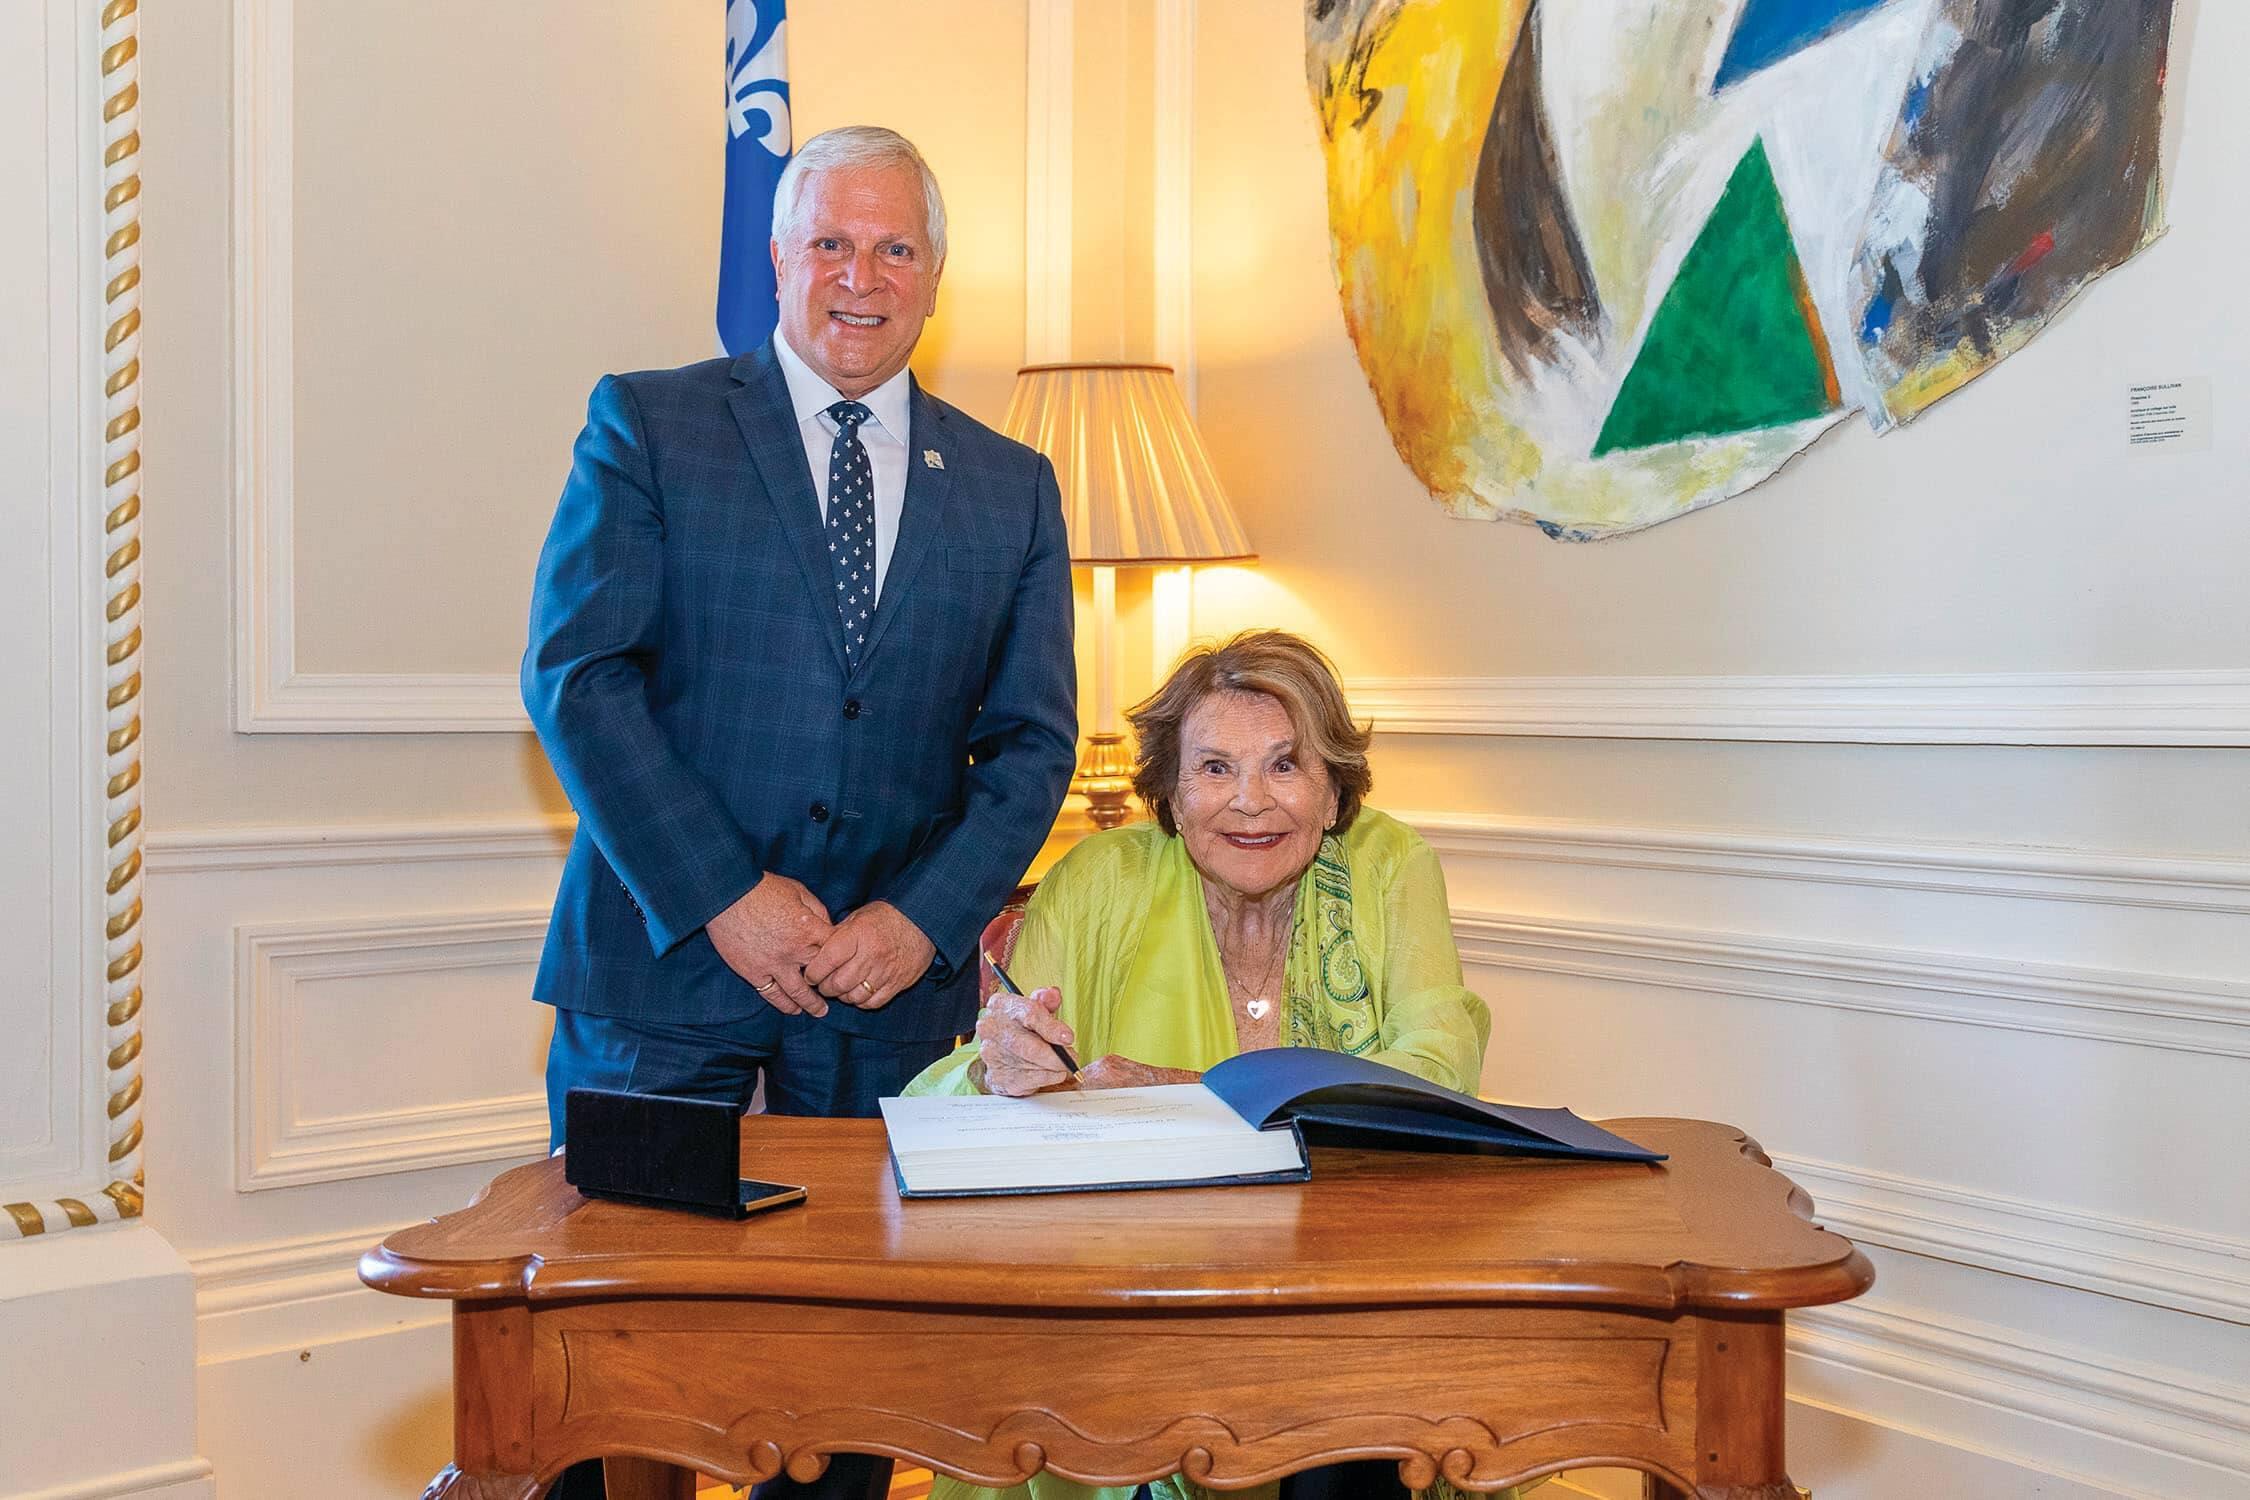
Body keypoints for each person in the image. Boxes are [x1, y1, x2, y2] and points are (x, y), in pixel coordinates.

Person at [522, 126, 1077, 1500]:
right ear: (778, 258)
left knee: (850, 1397)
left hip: (881, 1003)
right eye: (830, 241)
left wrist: (918, 920)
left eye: (894, 247)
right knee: (624, 1385)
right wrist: (723, 891)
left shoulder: (1008, 487)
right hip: (662, 983)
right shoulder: (650, 424)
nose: (859, 276)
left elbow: (1033, 742)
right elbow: (578, 675)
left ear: (936, 276)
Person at [907, 630, 1512, 1500]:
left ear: (1335, 786)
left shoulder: (1390, 865)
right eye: (1216, 769)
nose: (1251, 804)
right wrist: (1000, 1064)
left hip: (1351, 1289)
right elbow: (974, 1088)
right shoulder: (1100, 879)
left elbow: (1436, 1066)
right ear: (1170, 791)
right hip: (1137, 1298)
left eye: (1285, 765)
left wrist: (1198, 1094)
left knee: (1344, 1434)